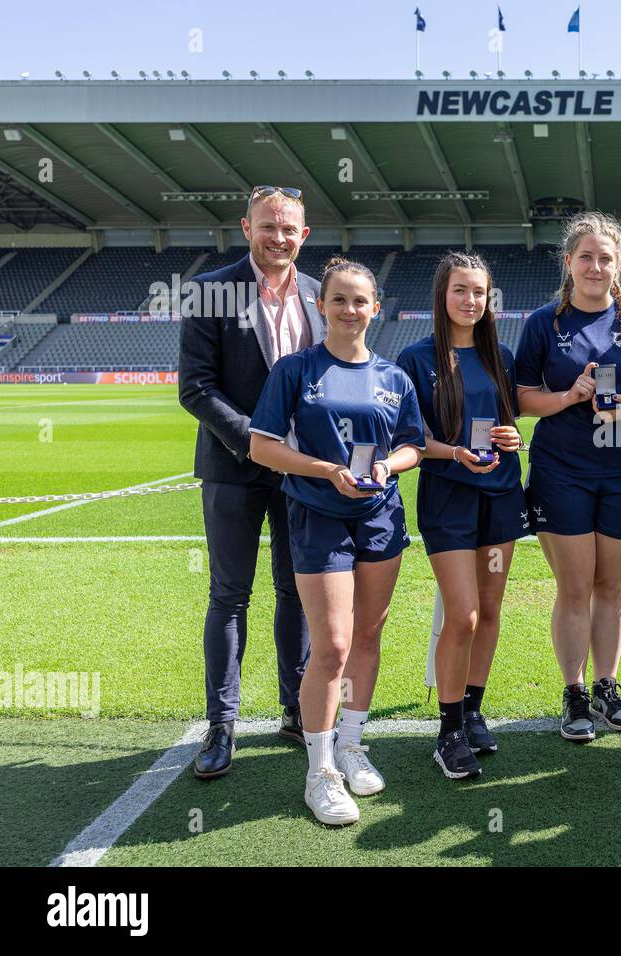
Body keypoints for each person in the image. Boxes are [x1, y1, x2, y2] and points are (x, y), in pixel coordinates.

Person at [248, 257, 424, 826]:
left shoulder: (394, 377)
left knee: (369, 634)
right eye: (339, 300)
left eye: (361, 301)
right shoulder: (296, 370)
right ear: (320, 306)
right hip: (318, 515)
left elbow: (412, 446)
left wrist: (388, 469)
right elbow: (261, 447)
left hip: (380, 516)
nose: (351, 310)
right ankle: (318, 771)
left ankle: (350, 745)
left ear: (377, 309)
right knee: (333, 644)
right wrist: (326, 471)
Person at [178, 185, 323, 779]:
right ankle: (222, 725)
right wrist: (257, 444)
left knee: (298, 593)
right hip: (234, 469)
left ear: (304, 235)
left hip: (300, 472)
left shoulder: (320, 295)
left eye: (289, 229)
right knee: (229, 596)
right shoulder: (211, 291)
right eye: (268, 226)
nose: (279, 237)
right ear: (246, 227)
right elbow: (196, 388)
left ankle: (295, 708)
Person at [514, 211, 621, 742]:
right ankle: (574, 693)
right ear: (569, 262)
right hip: (562, 471)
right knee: (575, 587)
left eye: (605, 258)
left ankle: (607, 686)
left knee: (612, 586)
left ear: (618, 265)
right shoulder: (543, 323)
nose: (595, 266)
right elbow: (521, 398)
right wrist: (569, 397)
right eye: (586, 257)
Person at [397, 252, 526, 780]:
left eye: (479, 292)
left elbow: (507, 426)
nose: (471, 301)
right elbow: (409, 441)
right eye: (461, 291)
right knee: (464, 615)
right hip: (449, 499)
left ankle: (473, 712)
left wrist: (514, 438)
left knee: (491, 611)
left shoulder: (502, 357)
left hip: (501, 496)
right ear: (442, 295)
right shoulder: (415, 358)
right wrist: (454, 454)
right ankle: (448, 730)